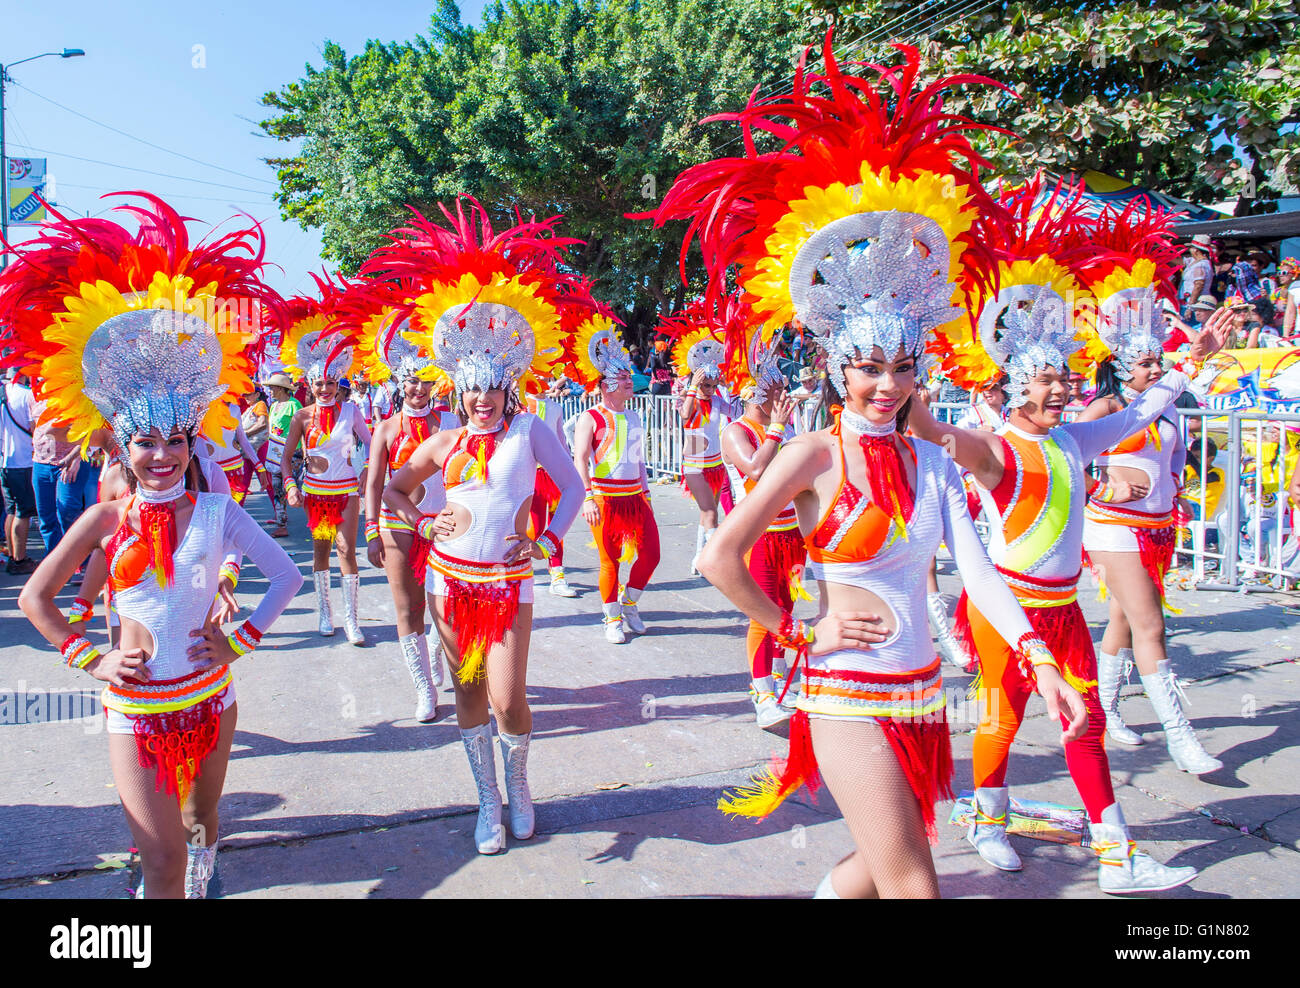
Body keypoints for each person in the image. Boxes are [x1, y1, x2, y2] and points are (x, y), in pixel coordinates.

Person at [645, 45, 1098, 899]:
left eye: (901, 368)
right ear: (834, 369)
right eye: (867, 369)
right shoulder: (811, 454)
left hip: (923, 692)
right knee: (913, 883)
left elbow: (976, 567)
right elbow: (717, 559)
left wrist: (1041, 658)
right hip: (845, 691)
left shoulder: (931, 457)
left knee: (877, 869)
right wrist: (791, 634)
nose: (886, 386)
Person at [920, 187, 1228, 892]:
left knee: (1084, 722)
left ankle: (1117, 857)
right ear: (1016, 384)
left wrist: (1193, 358)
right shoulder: (994, 449)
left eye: (1066, 377)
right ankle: (988, 819)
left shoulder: (1076, 438)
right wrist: (916, 338)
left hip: (1061, 611)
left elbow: (1147, 405)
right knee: (999, 717)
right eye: (1048, 379)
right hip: (1005, 608)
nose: (1062, 389)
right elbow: (928, 429)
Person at [4, 193, 301, 899]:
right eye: (145, 441)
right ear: (121, 442)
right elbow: (35, 597)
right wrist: (92, 656)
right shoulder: (105, 520)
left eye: (175, 440)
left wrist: (241, 639)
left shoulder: (218, 510)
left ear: (192, 440)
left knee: (201, 824)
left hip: (209, 698)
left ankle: (204, 869)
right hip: (134, 707)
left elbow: (285, 577)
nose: (161, 455)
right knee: (160, 859)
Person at [383, 198, 586, 856]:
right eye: (472, 388)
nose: (482, 398)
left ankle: (520, 784)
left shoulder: (529, 430)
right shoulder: (443, 442)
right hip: (449, 583)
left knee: (508, 698)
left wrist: (549, 539)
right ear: (458, 390)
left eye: (492, 386)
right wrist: (419, 518)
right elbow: (393, 486)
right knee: (467, 694)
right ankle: (487, 801)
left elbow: (576, 486)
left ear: (507, 385)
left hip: (507, 583)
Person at [1079, 270, 1224, 772]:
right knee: (1151, 625)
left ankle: (1106, 709)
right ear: (1120, 368)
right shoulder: (1106, 406)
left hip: (1158, 529)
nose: (1155, 367)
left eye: (1157, 359)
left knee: (1123, 619)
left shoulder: (1162, 407)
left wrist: (1176, 492)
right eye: (1145, 362)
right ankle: (1180, 739)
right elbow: (1059, 462)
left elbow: (1168, 460)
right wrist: (1106, 486)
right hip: (1113, 527)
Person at [359, 306, 458, 722]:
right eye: (411, 381)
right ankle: (424, 688)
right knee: (408, 607)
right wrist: (369, 530)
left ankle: (436, 651)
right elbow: (374, 484)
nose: (418, 389)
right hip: (397, 524)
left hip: (447, 525)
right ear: (398, 384)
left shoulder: (452, 419)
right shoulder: (384, 429)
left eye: (425, 381)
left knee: (447, 606)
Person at [718, 314, 805, 728]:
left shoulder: (778, 426)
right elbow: (754, 471)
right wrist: (776, 430)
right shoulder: (737, 430)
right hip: (759, 536)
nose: (783, 393)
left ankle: (778, 681)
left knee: (785, 609)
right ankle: (762, 695)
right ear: (757, 391)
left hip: (790, 533)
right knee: (762, 614)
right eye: (777, 387)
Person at [278, 297, 373, 644]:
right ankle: (324, 612)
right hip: (316, 493)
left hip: (346, 491)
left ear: (338, 383)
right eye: (319, 384)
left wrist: (366, 474)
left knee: (348, 550)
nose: (325, 389)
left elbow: (375, 444)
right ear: (310, 384)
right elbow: (286, 458)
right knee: (321, 551)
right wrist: (290, 485)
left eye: (331, 383)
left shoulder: (352, 413)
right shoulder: (302, 417)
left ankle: (352, 619)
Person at [570, 315, 662, 644]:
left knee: (651, 554)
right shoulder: (590, 417)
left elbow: (638, 460)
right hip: (604, 498)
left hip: (636, 497)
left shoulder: (634, 414)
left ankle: (630, 603)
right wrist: (587, 497)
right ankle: (611, 617)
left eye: (628, 378)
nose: (629, 383)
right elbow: (581, 458)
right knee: (609, 561)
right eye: (623, 378)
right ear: (606, 383)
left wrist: (647, 494)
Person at [667, 314, 742, 574]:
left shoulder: (717, 401)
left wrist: (728, 384)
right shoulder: (688, 399)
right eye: (705, 385)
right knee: (710, 512)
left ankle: (698, 557)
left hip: (716, 464)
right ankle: (719, 560)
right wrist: (693, 387)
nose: (709, 389)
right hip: (695, 467)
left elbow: (735, 411)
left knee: (706, 514)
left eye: (712, 385)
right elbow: (686, 416)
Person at [1, 372, 39, 574]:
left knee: (11, 510)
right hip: (23, 460)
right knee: (23, 512)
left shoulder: (3, 391)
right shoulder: (26, 395)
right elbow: (36, 429)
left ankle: (12, 555)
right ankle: (19, 559)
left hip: (4, 461)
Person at [261, 372, 302, 537]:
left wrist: (306, 453)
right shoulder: (273, 406)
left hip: (294, 452)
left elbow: (303, 428)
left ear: (281, 388)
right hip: (276, 453)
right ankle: (281, 523)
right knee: (277, 487)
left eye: (272, 388)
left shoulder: (294, 404)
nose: (270, 391)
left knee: (298, 486)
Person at [1179, 235, 1213, 315]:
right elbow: (1178, 261)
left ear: (1196, 250)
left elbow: (1198, 286)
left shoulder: (1201, 265)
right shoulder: (1194, 261)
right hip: (1189, 302)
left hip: (1196, 304)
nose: (1190, 250)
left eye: (1191, 248)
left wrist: (1190, 307)